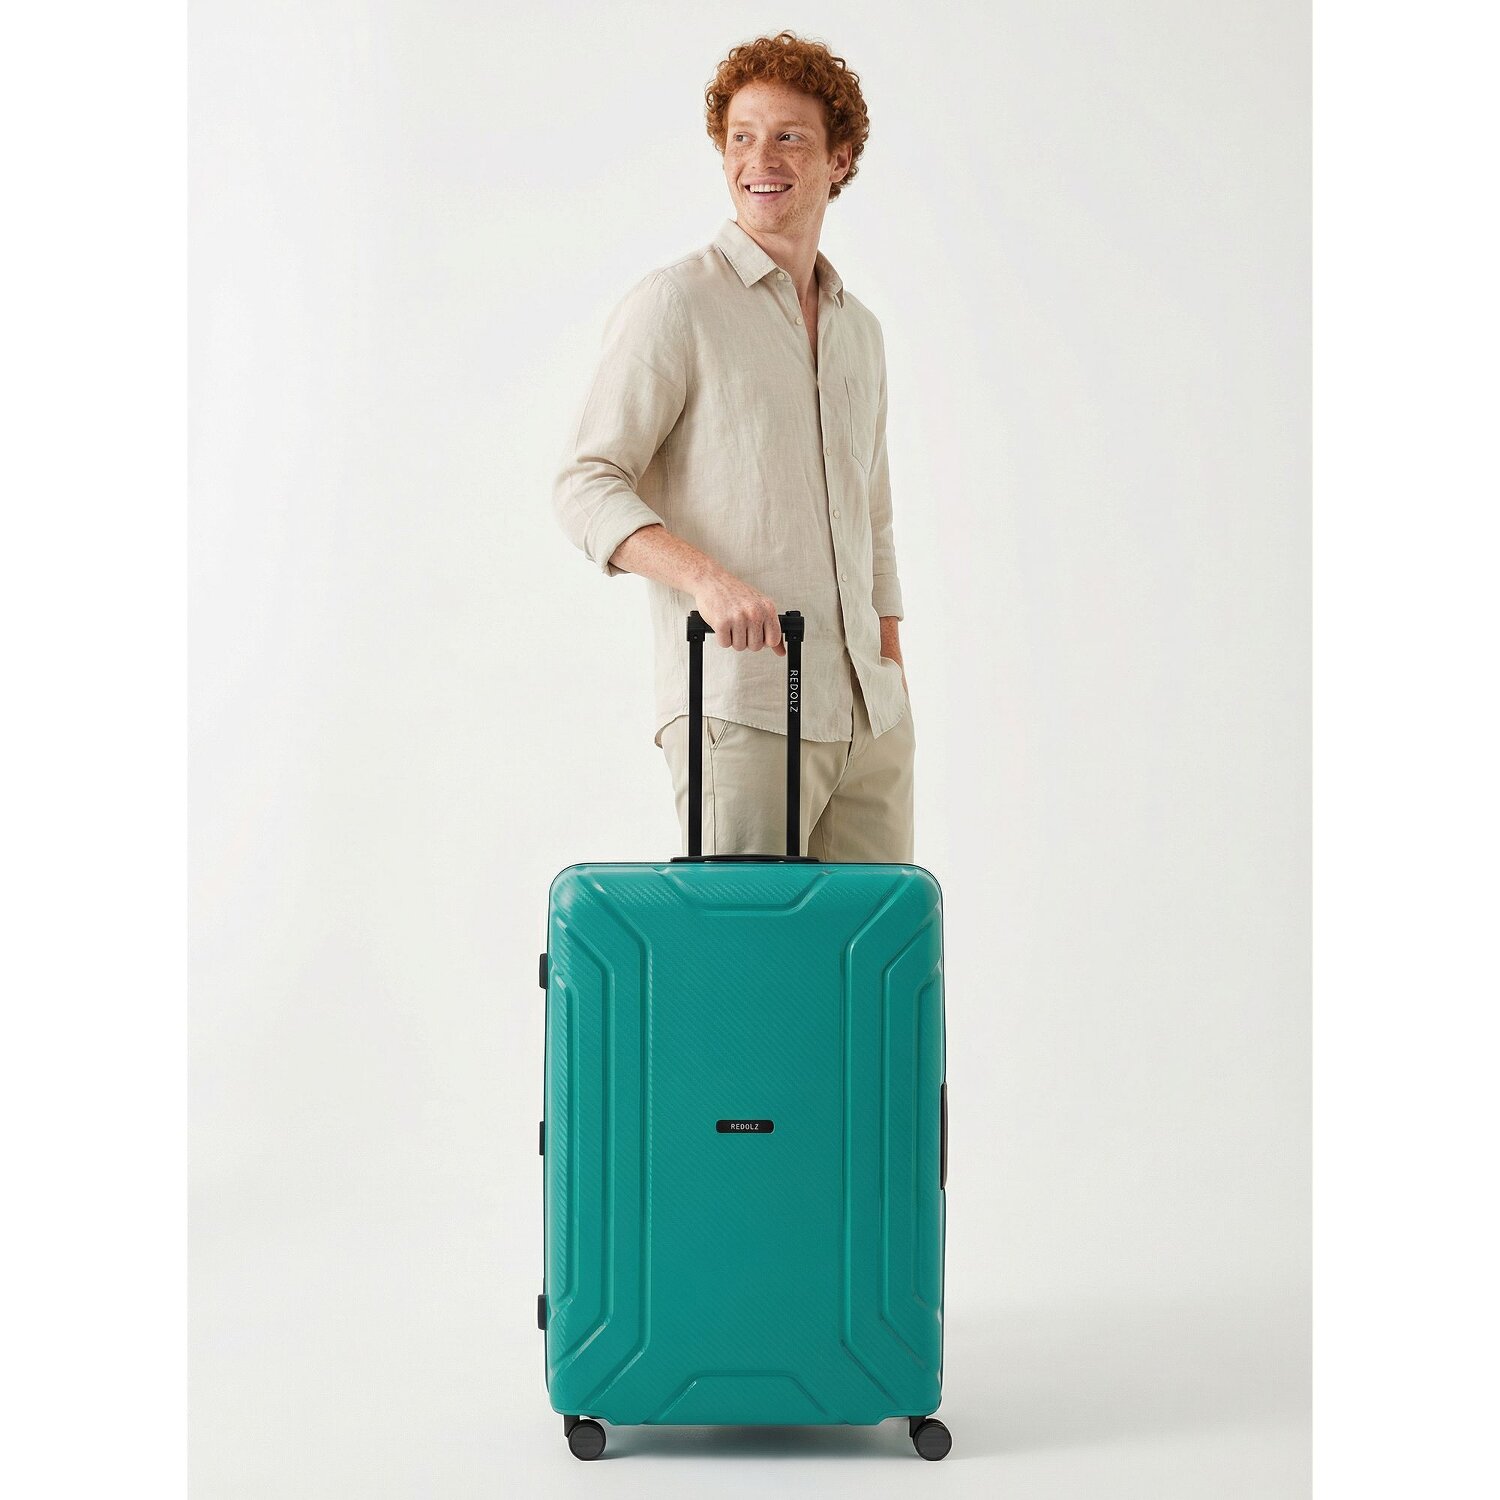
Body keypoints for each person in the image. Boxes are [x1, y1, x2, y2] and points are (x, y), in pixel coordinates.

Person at [552, 30, 915, 862]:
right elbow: (586, 482)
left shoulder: (860, 332)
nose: (761, 159)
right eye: (741, 137)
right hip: (744, 709)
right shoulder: (676, 304)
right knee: (746, 949)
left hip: (870, 721)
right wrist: (707, 582)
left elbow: (874, 521)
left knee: (874, 948)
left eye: (789, 136)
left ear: (840, 158)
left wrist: (891, 678)